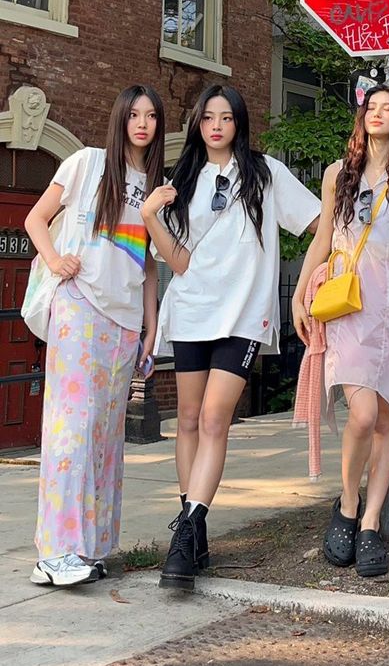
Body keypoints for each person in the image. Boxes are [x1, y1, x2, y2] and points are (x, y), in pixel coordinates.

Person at [142, 82, 319, 589]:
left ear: (239, 123)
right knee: (189, 419)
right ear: (198, 124)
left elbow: (318, 223)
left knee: (217, 419)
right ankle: (193, 534)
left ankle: (186, 532)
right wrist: (152, 215)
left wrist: (307, 283)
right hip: (193, 309)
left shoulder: (265, 174)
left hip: (242, 315)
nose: (216, 126)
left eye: (226, 117)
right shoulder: (184, 178)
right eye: (207, 118)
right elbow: (177, 260)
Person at [25, 85, 164, 587]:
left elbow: (147, 264)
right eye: (134, 114)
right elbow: (36, 218)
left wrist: (150, 327)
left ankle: (93, 546)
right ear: (120, 118)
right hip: (79, 307)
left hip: (125, 323)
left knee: (106, 434)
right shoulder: (86, 163)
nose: (142, 123)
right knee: (72, 426)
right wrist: (55, 260)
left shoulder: (152, 184)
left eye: (151, 115)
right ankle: (56, 551)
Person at [292, 85, 389, 579]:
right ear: (362, 116)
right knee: (363, 414)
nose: (379, 114)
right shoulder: (337, 174)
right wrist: (300, 292)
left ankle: (369, 522)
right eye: (372, 107)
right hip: (349, 302)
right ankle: (347, 503)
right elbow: (323, 238)